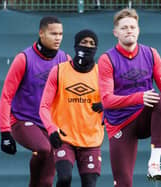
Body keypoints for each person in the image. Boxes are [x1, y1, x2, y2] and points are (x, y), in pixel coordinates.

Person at [98, 8, 161, 187]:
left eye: (133, 27)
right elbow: (107, 101)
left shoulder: (151, 53)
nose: (129, 31)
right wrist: (139, 97)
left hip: (143, 119)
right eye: (124, 28)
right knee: (123, 182)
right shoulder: (106, 59)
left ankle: (154, 163)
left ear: (139, 30)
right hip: (120, 123)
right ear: (115, 32)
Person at [0, 16, 70, 187]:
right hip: (22, 121)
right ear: (41, 33)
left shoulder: (65, 59)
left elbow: (70, 95)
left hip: (49, 125)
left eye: (60, 33)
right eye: (53, 33)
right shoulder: (24, 59)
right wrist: (5, 133)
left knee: (46, 182)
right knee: (44, 148)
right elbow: (6, 96)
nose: (58, 37)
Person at [39, 29, 104, 187]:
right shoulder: (59, 70)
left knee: (89, 184)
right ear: (76, 45)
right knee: (64, 178)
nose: (87, 46)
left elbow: (119, 101)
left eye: (91, 44)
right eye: (84, 42)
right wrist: (51, 128)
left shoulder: (102, 73)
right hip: (64, 136)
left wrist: (108, 105)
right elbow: (44, 106)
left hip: (91, 140)